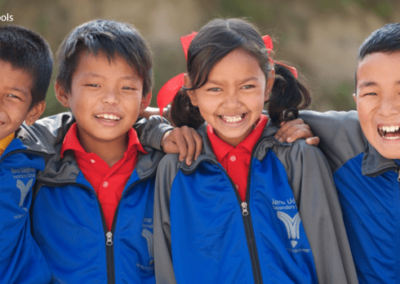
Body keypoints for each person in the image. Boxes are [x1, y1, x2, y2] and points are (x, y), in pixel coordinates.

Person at [153, 18, 358, 284]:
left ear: (269, 83)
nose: (232, 102)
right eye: (214, 89)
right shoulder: (176, 167)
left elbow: (329, 255)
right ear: (192, 92)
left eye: (247, 86)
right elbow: (167, 266)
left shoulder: (298, 156)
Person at [24, 19, 200, 283]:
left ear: (144, 98)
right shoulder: (37, 159)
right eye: (94, 85)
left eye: (127, 87)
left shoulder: (168, 163)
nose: (111, 98)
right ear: (62, 92)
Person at [276, 23, 400, 284]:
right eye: (371, 93)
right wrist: (165, 133)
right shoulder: (341, 137)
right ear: (356, 101)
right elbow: (237, 121)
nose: (387, 108)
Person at [0, 25, 53, 284]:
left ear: (33, 111)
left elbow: (90, 124)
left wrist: (153, 122)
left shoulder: (33, 146)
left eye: (12, 96)